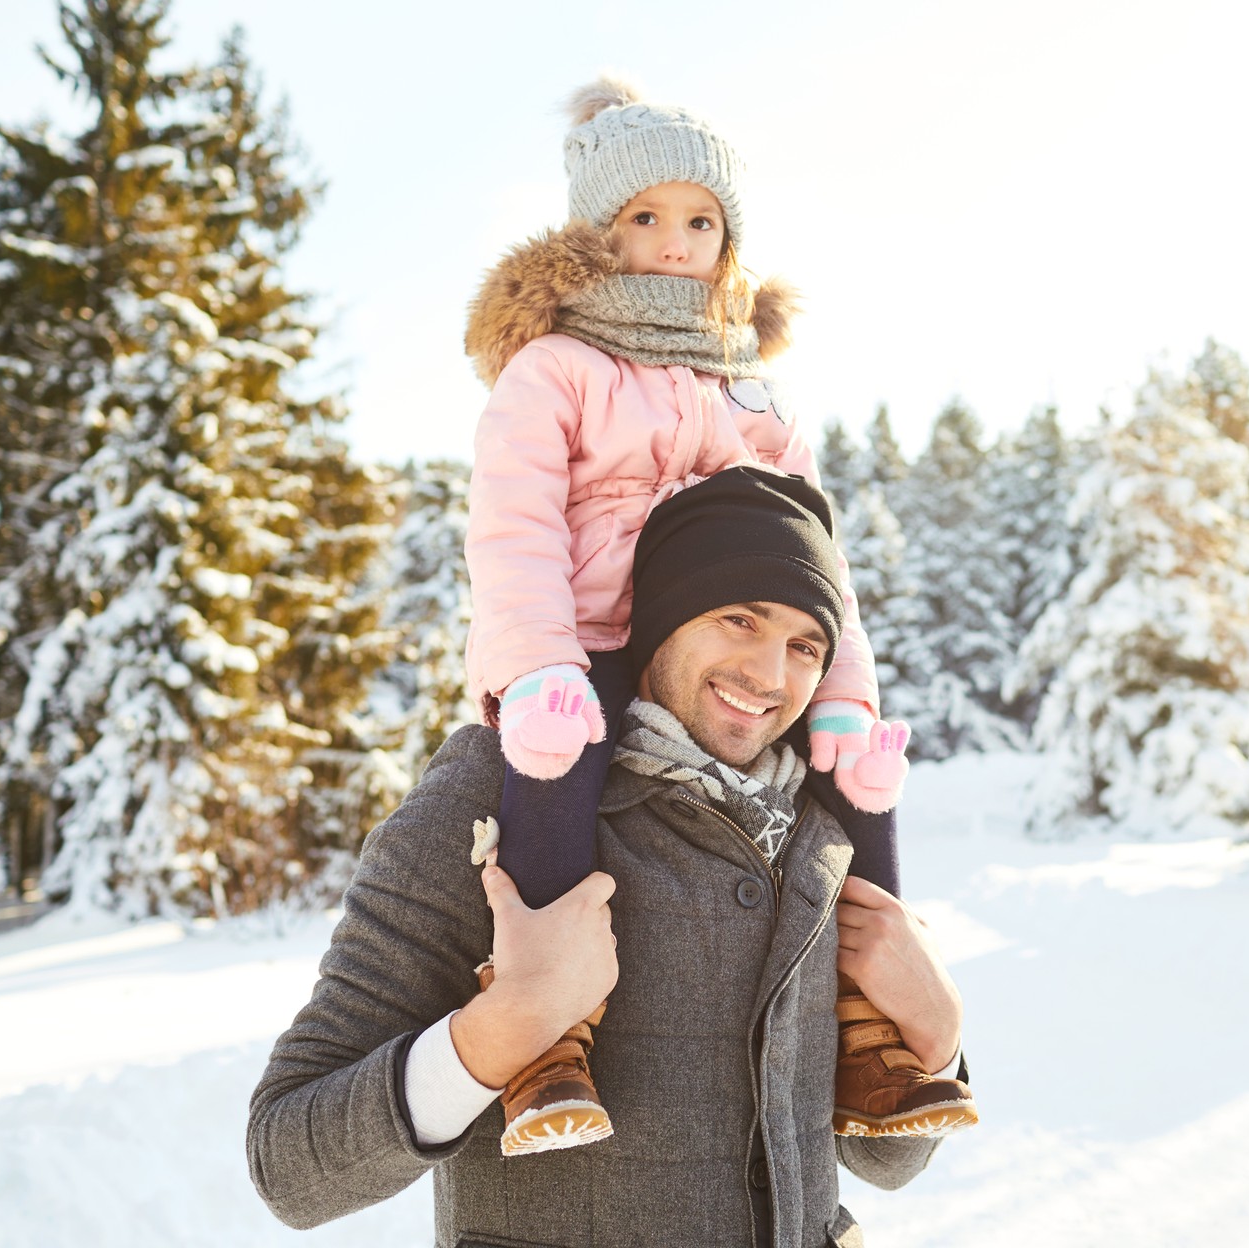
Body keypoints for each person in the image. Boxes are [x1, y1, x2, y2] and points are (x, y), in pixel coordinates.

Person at [248, 468, 973, 1247]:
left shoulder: (823, 827)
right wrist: (509, 1024)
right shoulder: (504, 793)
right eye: (738, 618)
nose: (770, 676)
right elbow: (290, 1164)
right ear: (664, 615)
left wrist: (938, 1030)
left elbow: (888, 1162)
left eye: (805, 645)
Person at [456, 75, 967, 1153]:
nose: (676, 240)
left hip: (725, 647)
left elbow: (821, 566)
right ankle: (549, 1032)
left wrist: (842, 695)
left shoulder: (756, 392)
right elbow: (514, 524)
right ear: (598, 232)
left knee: (859, 771)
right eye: (645, 217)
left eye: (700, 220)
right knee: (560, 763)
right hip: (586, 643)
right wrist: (537, 663)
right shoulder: (559, 370)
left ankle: (876, 1039)